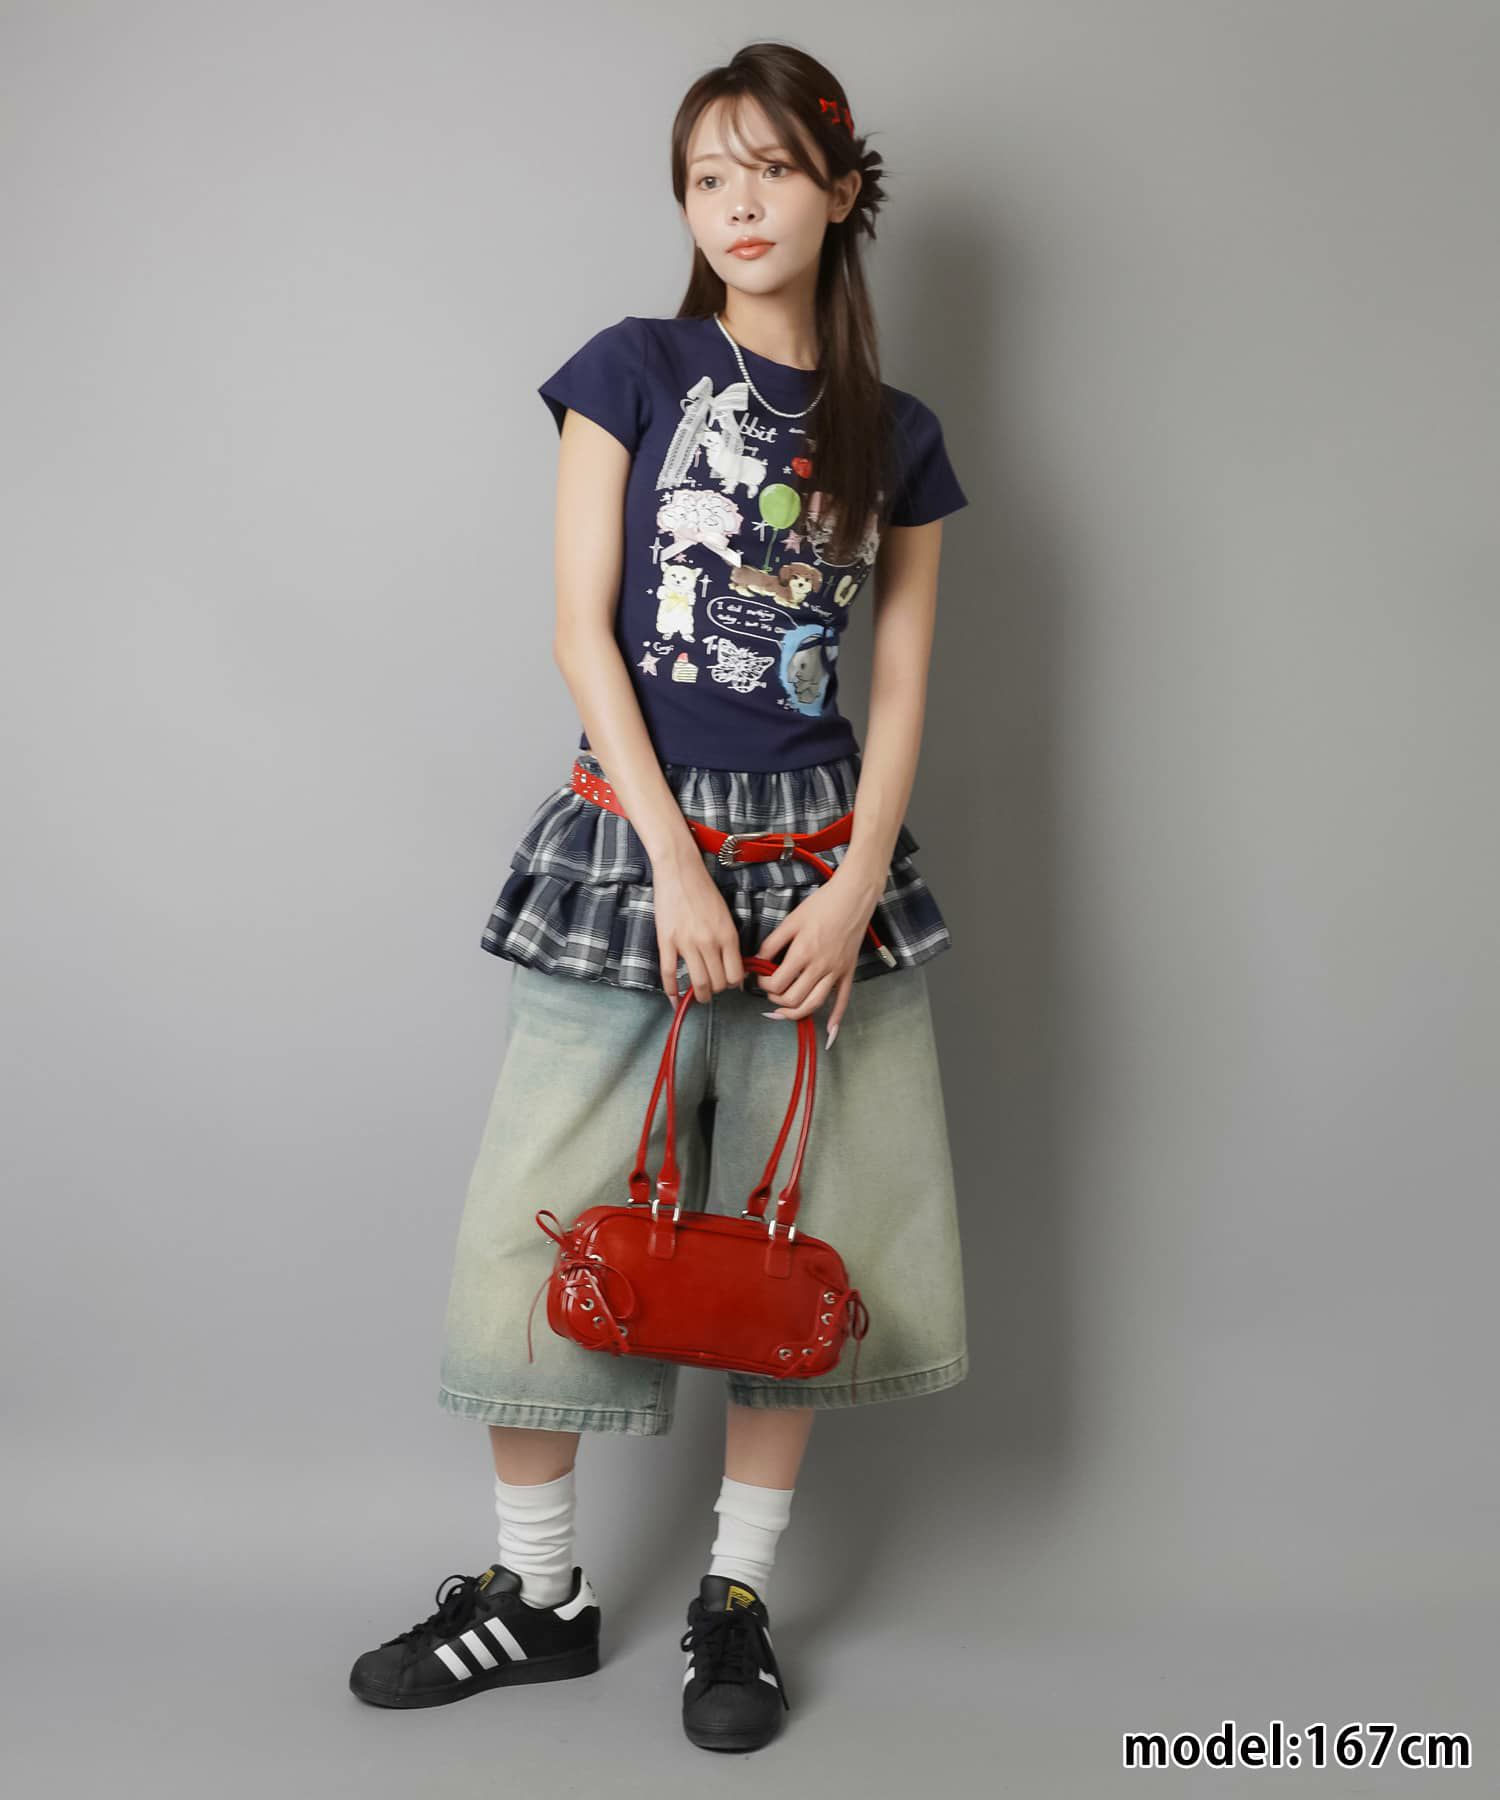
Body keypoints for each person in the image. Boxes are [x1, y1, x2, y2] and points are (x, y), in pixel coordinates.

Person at [348, 41, 970, 1753]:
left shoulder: (900, 440)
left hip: (823, 870)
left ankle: (736, 1601)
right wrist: (676, 860)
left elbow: (900, 682)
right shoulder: (632, 368)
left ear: (842, 190)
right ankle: (539, 1594)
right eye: (707, 177)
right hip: (636, 845)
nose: (738, 203)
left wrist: (853, 884)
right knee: (539, 1215)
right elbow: (581, 631)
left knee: (795, 1231)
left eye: (769, 168)